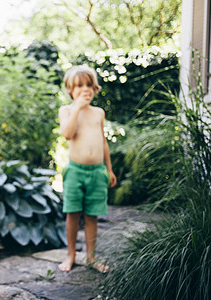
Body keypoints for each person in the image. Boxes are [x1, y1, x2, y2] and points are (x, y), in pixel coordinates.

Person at [58, 65, 116, 273]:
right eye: (79, 86)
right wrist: (77, 108)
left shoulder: (98, 113)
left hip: (97, 172)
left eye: (89, 85)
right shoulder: (66, 111)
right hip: (75, 172)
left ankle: (91, 257)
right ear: (70, 91)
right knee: (72, 213)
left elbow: (103, 142)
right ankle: (71, 255)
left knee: (92, 216)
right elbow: (67, 134)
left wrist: (109, 169)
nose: (85, 90)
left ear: (95, 88)